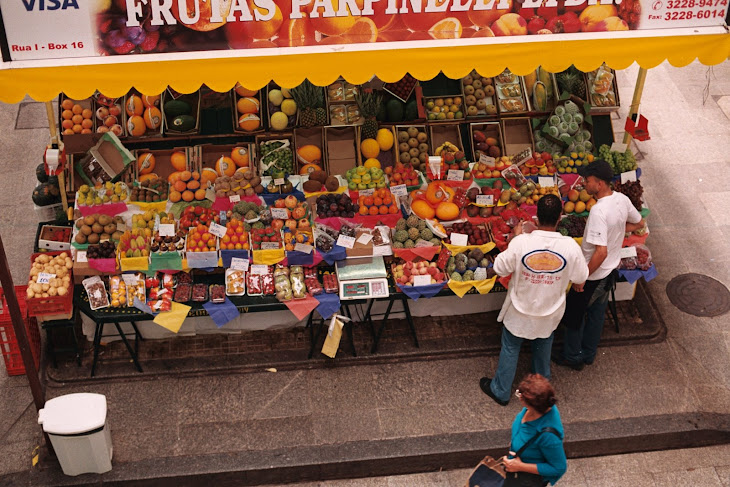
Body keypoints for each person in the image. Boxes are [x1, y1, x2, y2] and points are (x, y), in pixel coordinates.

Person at [480, 194, 588, 406]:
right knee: (543, 347)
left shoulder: (522, 242)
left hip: (520, 310)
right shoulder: (570, 246)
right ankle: (541, 394)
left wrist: (514, 238)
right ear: (559, 218)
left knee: (511, 347)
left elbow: (500, 267)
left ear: (536, 217)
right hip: (550, 312)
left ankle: (501, 391)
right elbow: (581, 277)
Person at [553, 160, 645, 370]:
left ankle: (573, 357)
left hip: (594, 276)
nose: (584, 183)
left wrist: (582, 277)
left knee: (574, 316)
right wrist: (619, 231)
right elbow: (639, 222)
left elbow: (600, 252)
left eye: (588, 180)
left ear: (600, 183)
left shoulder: (598, 212)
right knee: (596, 314)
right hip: (610, 272)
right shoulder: (621, 199)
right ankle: (589, 353)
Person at [502, 374, 567, 486]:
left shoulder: (549, 436)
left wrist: (519, 466)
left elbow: (559, 468)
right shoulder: (537, 407)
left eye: (519, 394)